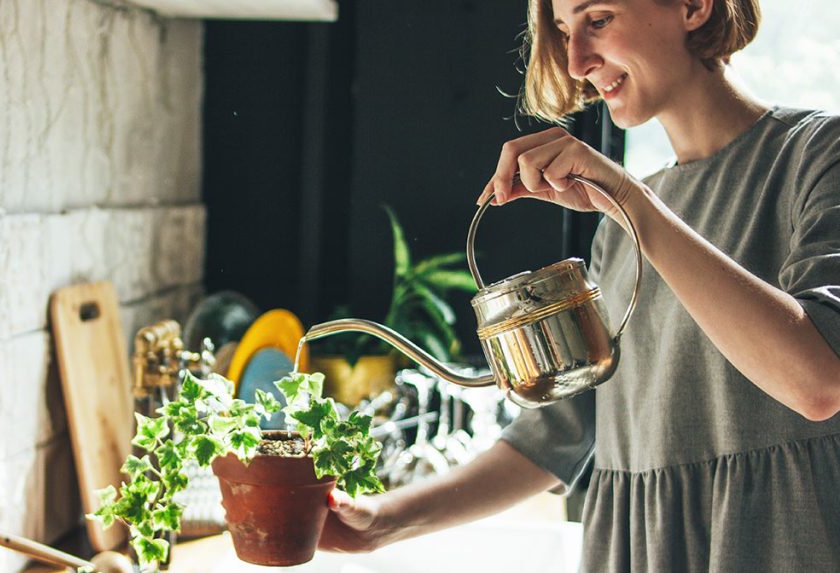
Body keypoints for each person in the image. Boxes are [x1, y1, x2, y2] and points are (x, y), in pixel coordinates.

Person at [317, 0, 840, 570]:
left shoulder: (819, 156)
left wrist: (632, 203)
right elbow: (561, 430)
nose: (575, 62)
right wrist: (382, 524)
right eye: (565, 32)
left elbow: (818, 383)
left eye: (599, 20)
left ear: (693, 6)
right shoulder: (620, 226)